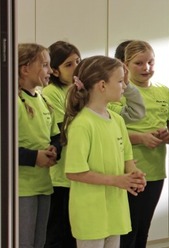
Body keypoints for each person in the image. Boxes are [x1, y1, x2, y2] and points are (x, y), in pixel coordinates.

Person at [62, 55, 146, 247]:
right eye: (119, 81)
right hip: (91, 213)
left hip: (115, 210)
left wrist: (135, 175)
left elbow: (127, 159)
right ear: (102, 86)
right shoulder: (82, 124)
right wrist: (116, 180)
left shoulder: (117, 120)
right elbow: (74, 172)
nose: (124, 86)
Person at [112, 40, 169, 248]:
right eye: (139, 63)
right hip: (128, 171)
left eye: (150, 62)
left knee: (143, 229)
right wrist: (141, 138)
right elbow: (111, 130)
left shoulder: (164, 92)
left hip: (156, 172)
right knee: (127, 231)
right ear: (125, 65)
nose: (146, 68)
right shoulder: (118, 92)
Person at [17, 43, 59, 248]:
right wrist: (34, 157)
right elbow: (0, 149)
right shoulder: (12, 102)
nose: (50, 71)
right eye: (44, 65)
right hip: (20, 189)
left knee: (39, 243)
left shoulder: (43, 100)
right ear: (25, 69)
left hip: (43, 185)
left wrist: (54, 150)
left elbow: (55, 137)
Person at [41, 41, 81, 248]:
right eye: (69, 64)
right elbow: (64, 131)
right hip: (60, 177)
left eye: (78, 61)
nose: (76, 67)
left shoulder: (79, 90)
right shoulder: (51, 93)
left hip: (80, 175)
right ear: (55, 70)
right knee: (59, 235)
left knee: (75, 235)